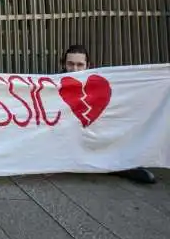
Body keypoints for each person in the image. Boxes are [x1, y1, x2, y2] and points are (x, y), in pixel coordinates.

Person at [60, 44, 156, 185]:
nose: (74, 69)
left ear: (88, 65)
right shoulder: (53, 85)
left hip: (94, 133)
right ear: (63, 64)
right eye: (70, 64)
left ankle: (123, 165)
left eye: (80, 65)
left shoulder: (99, 82)